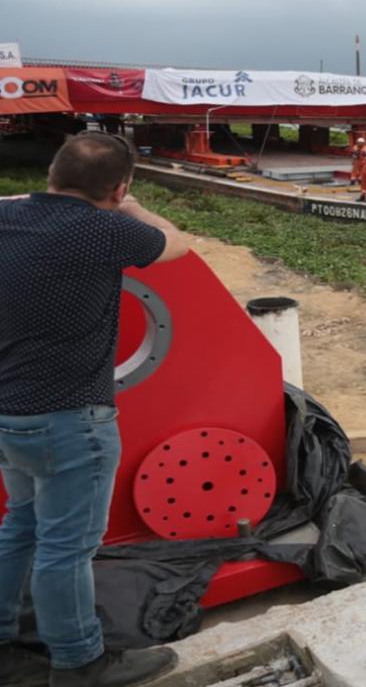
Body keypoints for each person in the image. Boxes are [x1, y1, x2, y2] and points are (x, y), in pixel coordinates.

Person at [0, 132, 187, 686]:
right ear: (120, 187)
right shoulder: (104, 229)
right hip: (70, 419)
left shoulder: (7, 220)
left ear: (53, 174)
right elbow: (176, 243)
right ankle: (80, 663)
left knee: (19, 528)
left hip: (9, 413)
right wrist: (131, 207)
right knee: (66, 549)